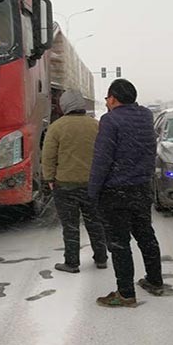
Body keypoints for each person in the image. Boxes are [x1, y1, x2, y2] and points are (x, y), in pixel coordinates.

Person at [89, 79, 164, 307]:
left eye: (107, 98)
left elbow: (102, 160)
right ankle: (154, 280)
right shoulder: (145, 117)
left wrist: (93, 191)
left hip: (116, 191)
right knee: (145, 236)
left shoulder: (110, 120)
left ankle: (125, 294)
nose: (107, 102)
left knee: (120, 243)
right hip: (141, 188)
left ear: (113, 98)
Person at [41, 89, 108, 273]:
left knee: (70, 226)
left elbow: (48, 156)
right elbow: (104, 154)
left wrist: (49, 178)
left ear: (64, 106)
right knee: (95, 222)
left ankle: (72, 262)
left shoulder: (57, 127)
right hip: (92, 184)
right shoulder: (96, 125)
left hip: (65, 185)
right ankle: (101, 258)